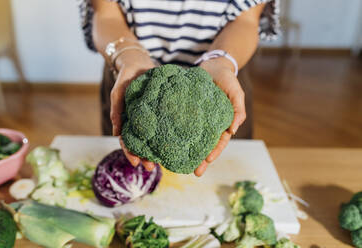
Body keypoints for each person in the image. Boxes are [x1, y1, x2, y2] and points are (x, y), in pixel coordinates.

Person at [78, 0, 279, 176]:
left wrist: (222, 62)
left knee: (228, 175)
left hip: (221, 80)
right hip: (130, 77)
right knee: (126, 169)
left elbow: (246, 20)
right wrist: (128, 57)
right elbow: (105, 14)